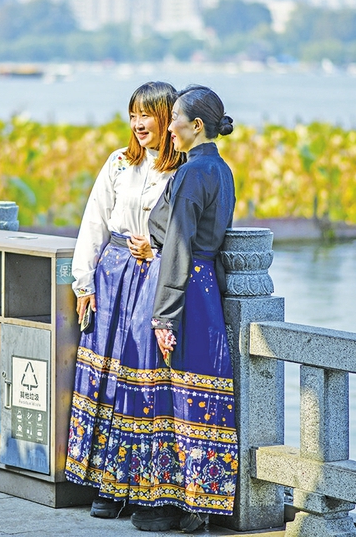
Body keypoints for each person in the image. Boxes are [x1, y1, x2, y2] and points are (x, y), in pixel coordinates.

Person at [64, 82, 183, 518]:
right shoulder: (118, 163)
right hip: (113, 274)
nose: (138, 124)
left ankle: (138, 487)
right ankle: (106, 486)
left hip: (154, 278)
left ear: (169, 118)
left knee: (143, 380)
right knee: (105, 375)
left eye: (147, 115)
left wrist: (156, 252)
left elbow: (185, 233)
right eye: (133, 115)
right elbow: (93, 221)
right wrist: (84, 283)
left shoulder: (181, 168)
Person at [129, 85, 237, 533]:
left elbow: (177, 243)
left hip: (183, 288)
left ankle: (175, 504)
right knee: (202, 393)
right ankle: (203, 504)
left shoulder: (193, 174)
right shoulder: (221, 170)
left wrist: (164, 314)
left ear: (196, 126)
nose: (167, 125)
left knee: (173, 395)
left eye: (174, 118)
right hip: (206, 288)